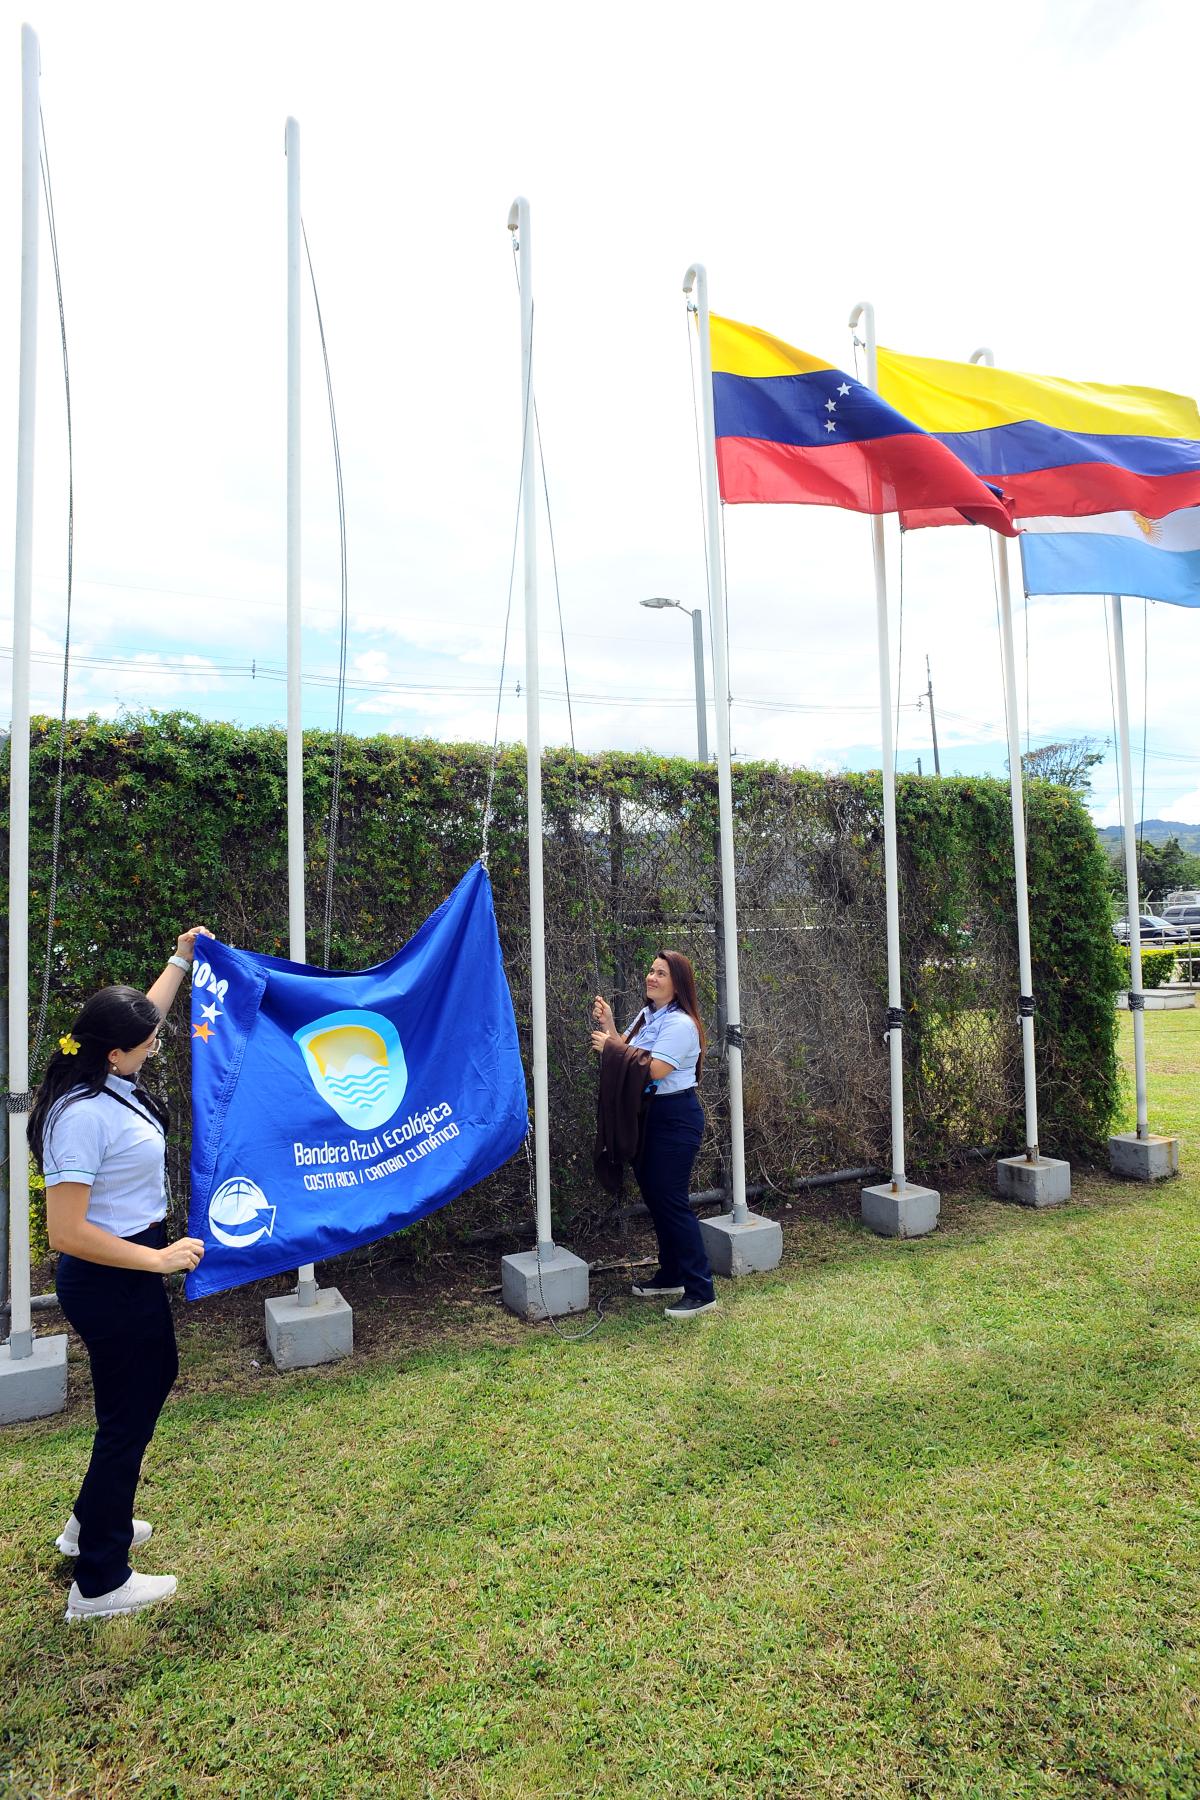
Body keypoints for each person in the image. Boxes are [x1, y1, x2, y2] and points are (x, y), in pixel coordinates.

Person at [29, 927, 213, 1622]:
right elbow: (67, 1234)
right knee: (131, 1412)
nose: (157, 1045)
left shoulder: (102, 1069)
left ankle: (88, 1526)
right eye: (147, 1043)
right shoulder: (80, 1117)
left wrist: (179, 959)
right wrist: (159, 1260)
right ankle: (100, 1581)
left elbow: (146, 1017)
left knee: (129, 1403)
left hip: (125, 1268)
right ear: (115, 1051)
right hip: (110, 1273)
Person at [591, 951, 717, 1320]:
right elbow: (626, 1052)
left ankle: (701, 1289)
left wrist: (614, 1046)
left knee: (672, 1202)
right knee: (657, 1201)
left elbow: (656, 1069)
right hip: (651, 1117)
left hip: (675, 1117)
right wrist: (613, 1027)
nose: (651, 977)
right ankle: (671, 1274)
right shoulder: (648, 1016)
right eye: (650, 970)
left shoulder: (680, 1024)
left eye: (661, 973)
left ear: (677, 983)